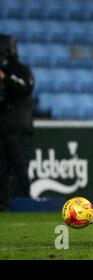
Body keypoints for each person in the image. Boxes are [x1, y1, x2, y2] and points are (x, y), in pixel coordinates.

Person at [0, 34, 34, 211]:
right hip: (4, 127)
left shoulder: (21, 70)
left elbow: (25, 87)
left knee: (20, 165)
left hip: (18, 126)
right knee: (3, 167)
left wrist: (5, 78)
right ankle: (3, 204)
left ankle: (23, 201)